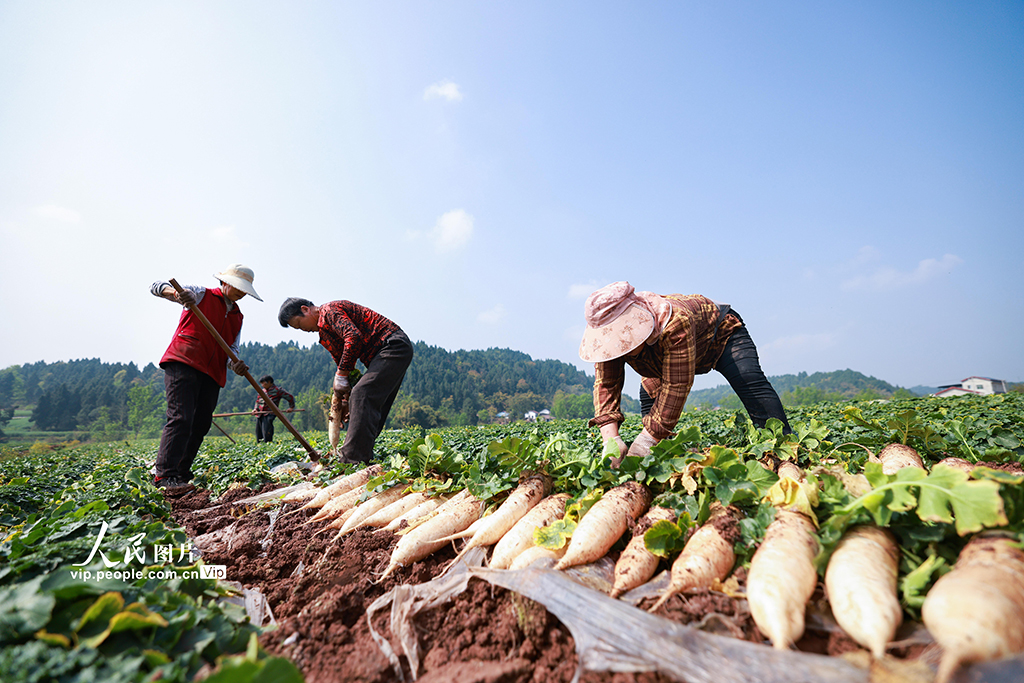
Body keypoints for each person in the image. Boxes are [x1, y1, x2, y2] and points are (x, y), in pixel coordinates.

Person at [579, 281, 790, 465]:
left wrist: (645, 440)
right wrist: (610, 439)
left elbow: (676, 384)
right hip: (660, 356)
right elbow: (606, 383)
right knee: (649, 393)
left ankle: (783, 445)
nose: (620, 347)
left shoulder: (673, 321)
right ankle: (660, 455)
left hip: (720, 336)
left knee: (748, 378)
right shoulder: (608, 344)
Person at [151, 264, 261, 489]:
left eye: (244, 290)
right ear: (225, 282)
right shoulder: (200, 294)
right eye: (238, 287)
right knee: (181, 418)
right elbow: (155, 286)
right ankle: (164, 476)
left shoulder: (238, 316)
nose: (241, 293)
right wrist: (177, 295)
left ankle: (181, 474)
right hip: (184, 361)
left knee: (200, 424)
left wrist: (235, 364)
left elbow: (233, 349)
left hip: (213, 373)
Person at [278, 297, 413, 464]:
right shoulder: (326, 336)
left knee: (363, 393)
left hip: (391, 345)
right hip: (381, 355)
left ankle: (352, 459)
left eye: (299, 324)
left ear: (305, 309)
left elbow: (353, 337)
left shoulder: (329, 311)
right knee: (369, 401)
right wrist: (344, 400)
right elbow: (343, 364)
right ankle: (361, 454)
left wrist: (341, 376)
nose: (303, 330)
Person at [252, 375, 295, 443]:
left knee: (266, 432)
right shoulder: (261, 391)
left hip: (270, 413)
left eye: (264, 383)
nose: (263, 385)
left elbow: (290, 397)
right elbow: (257, 401)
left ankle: (268, 445)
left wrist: (291, 407)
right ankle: (260, 447)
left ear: (269, 382)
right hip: (260, 414)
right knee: (259, 434)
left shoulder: (278, 390)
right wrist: (255, 409)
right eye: (261, 384)